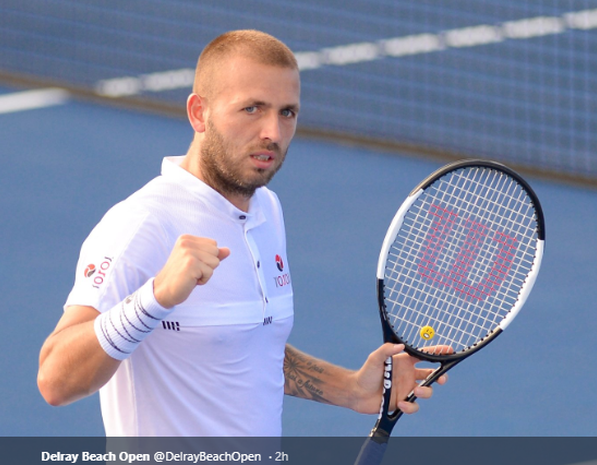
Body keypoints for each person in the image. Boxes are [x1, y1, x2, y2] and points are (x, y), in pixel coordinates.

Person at [37, 29, 447, 436]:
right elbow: (55, 380)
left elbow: (245, 346)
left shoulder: (266, 207)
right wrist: (155, 297)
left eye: (287, 112)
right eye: (252, 108)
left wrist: (352, 390)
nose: (273, 131)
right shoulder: (143, 223)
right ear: (199, 113)